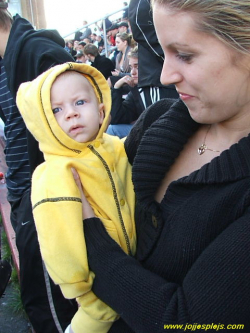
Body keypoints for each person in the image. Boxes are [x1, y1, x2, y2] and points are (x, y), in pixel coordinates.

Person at [72, 0, 250, 332]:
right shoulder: (158, 120)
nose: (166, 75)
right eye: (161, 51)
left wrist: (89, 237)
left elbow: (184, 322)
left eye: (185, 55)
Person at [16, 62, 136, 333]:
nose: (70, 114)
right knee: (96, 319)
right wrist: (78, 285)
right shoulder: (54, 174)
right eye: (56, 110)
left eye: (80, 102)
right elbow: (58, 240)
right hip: (94, 286)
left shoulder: (115, 147)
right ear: (44, 123)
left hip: (132, 267)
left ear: (101, 109)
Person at [0, 2, 78, 332]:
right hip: (25, 200)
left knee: (51, 312)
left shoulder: (39, 55)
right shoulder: (8, 61)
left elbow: (79, 133)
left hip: (45, 205)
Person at [107, 46, 179, 138]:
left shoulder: (163, 85)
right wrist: (116, 88)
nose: (132, 72)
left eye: (137, 67)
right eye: (131, 67)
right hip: (147, 130)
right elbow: (117, 118)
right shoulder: (137, 89)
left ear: (147, 66)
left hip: (165, 131)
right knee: (112, 129)